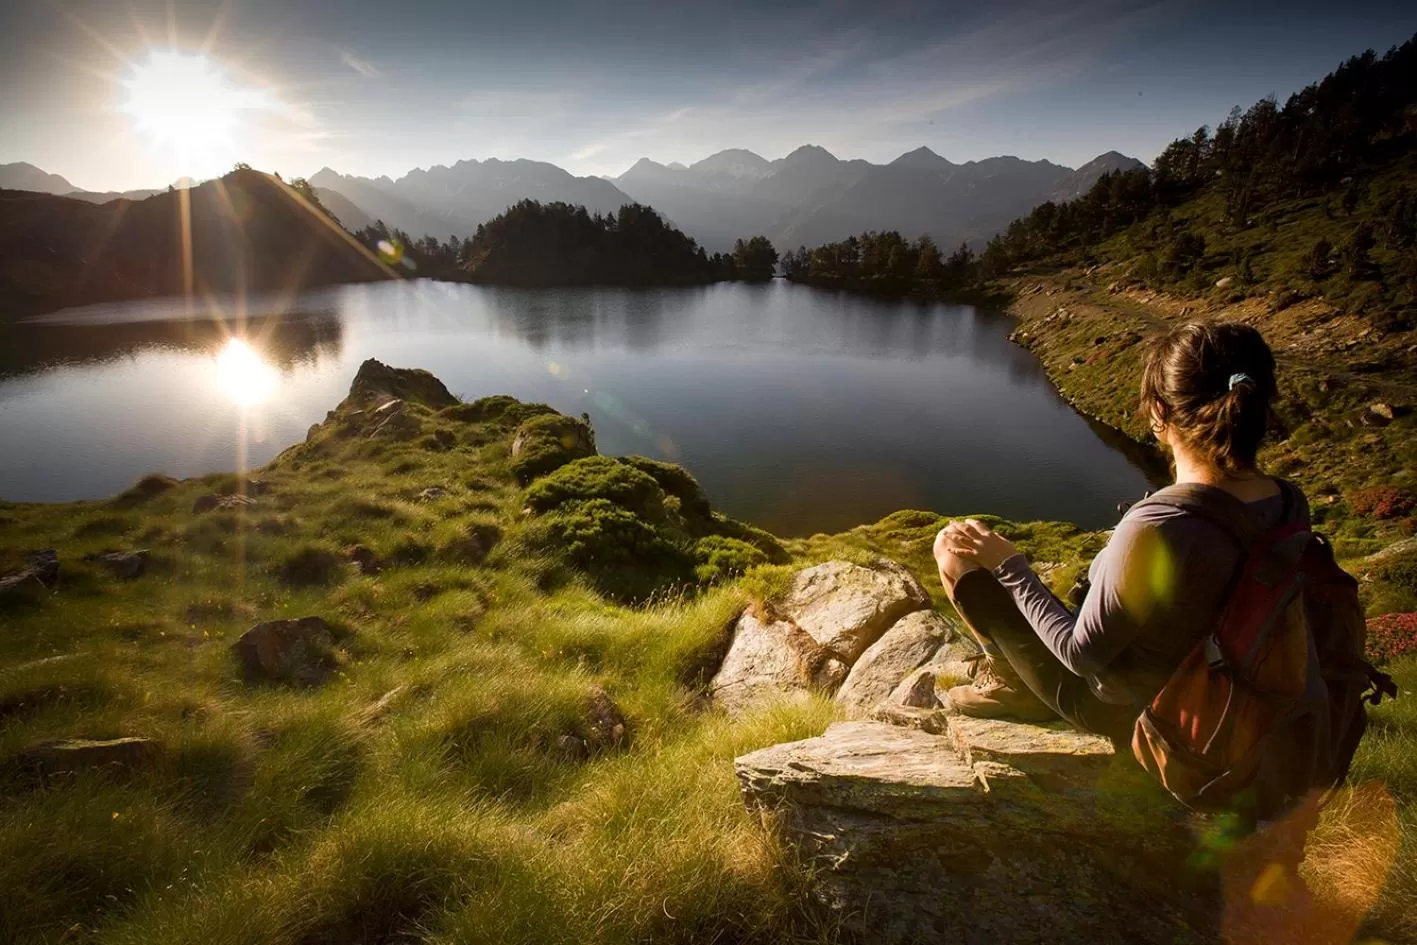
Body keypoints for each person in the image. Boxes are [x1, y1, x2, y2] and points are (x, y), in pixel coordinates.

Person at [932, 321, 1307, 743]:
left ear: (1160, 413)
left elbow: (1080, 655)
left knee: (952, 548)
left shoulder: (1161, 524)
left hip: (1122, 710)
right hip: (1219, 693)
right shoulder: (1289, 501)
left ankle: (1016, 690)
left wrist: (1009, 565)